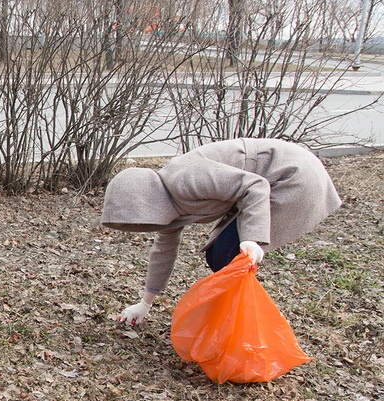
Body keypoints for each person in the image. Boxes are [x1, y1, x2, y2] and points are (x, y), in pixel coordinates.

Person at [101, 138, 342, 327]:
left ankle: (245, 326)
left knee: (228, 255)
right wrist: (145, 304)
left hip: (291, 176)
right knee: (218, 255)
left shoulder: (185, 178)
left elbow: (256, 186)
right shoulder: (167, 204)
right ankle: (234, 321)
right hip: (264, 186)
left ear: (146, 201)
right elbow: (163, 251)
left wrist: (252, 238)